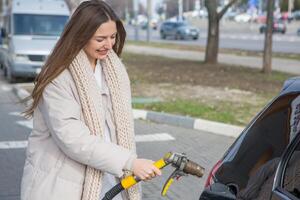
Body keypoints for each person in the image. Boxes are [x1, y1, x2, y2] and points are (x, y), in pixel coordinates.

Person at [20, 1, 161, 200]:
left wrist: (128, 163)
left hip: (109, 177)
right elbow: (73, 138)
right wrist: (130, 162)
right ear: (80, 36)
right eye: (100, 39)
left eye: (113, 37)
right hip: (62, 184)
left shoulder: (114, 70)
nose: (109, 45)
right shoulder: (58, 75)